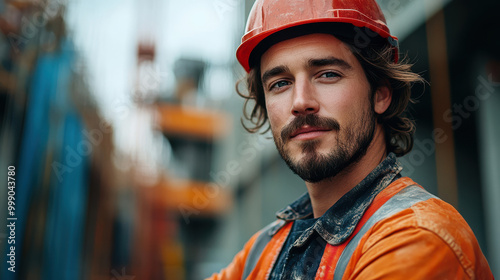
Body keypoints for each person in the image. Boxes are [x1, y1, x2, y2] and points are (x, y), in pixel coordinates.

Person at [207, 0, 494, 279]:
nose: (301, 102)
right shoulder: (263, 253)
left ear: (380, 94)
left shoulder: (418, 238)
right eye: (280, 83)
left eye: (327, 74)